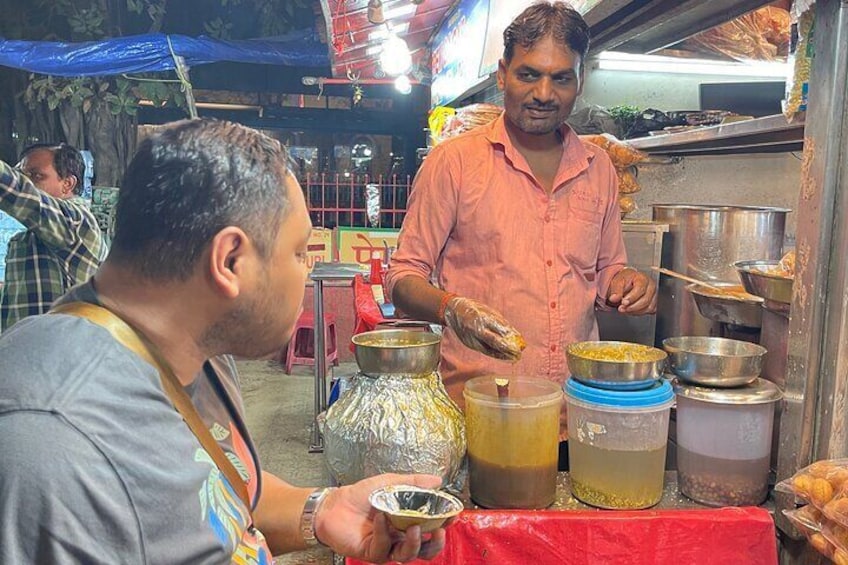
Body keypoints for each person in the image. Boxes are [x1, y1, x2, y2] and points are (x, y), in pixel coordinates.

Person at [0, 119, 447, 564]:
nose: (306, 272)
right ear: (230, 260)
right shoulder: (53, 448)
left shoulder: (199, 346)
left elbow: (217, 491)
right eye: (298, 253)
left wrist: (324, 510)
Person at [386, 2, 656, 457]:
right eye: (528, 75)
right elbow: (402, 279)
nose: (544, 93)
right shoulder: (453, 163)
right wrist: (453, 309)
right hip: (482, 416)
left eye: (561, 78)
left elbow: (608, 270)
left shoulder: (600, 169)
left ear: (580, 81)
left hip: (576, 419)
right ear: (502, 74)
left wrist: (628, 285)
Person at [0, 142, 106, 331]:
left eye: (36, 175)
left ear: (68, 184)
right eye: (21, 174)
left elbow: (22, 195)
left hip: (64, 355)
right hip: (24, 352)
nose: (27, 182)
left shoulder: (77, 221)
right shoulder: (26, 239)